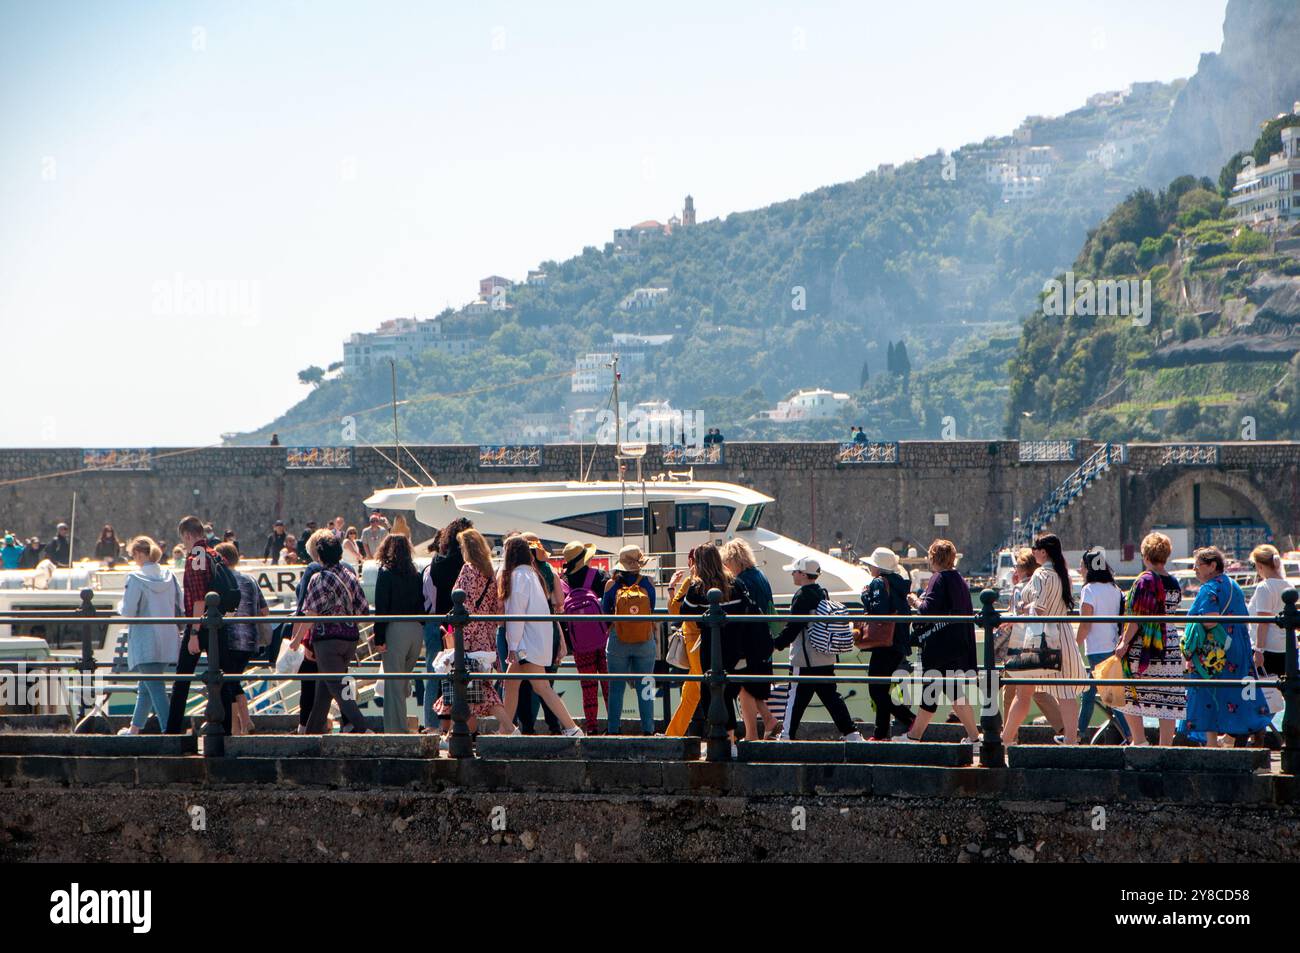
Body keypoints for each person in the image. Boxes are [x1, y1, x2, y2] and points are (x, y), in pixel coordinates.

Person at [1002, 534, 1087, 745]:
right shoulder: (1061, 574)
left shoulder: (1041, 574)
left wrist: (1021, 609)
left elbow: (1038, 609)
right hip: (1064, 635)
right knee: (1067, 692)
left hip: (1039, 637)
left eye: (1035, 548)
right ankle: (1070, 740)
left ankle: (1004, 740)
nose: (1032, 551)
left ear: (1043, 552)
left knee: (1023, 693)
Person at [1183, 546, 1272, 747]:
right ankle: (1252, 728)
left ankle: (1212, 742)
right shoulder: (1234, 585)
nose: (1194, 570)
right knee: (1237, 691)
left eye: (1198, 565)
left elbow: (1210, 620)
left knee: (1207, 691)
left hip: (1215, 651)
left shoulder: (1209, 588)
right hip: (1238, 647)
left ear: (1213, 565)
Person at [496, 535, 583, 736]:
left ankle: (571, 728)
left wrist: (513, 646)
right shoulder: (532, 574)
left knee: (538, 687)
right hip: (535, 642)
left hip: (524, 645)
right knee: (516, 685)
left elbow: (516, 615)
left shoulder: (516, 577)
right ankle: (507, 729)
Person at [771, 555, 863, 742]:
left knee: (795, 699)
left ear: (803, 574)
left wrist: (776, 644)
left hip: (804, 659)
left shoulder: (801, 596)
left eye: (794, 572)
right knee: (832, 698)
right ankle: (851, 733)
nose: (792, 575)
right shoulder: (823, 592)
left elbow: (794, 626)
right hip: (825, 656)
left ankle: (787, 735)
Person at [290, 534, 372, 734]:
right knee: (325, 688)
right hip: (350, 639)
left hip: (327, 641)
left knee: (335, 685)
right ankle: (312, 731)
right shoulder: (351, 576)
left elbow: (310, 614)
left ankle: (363, 728)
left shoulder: (319, 578)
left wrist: (297, 640)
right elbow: (363, 610)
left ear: (320, 556)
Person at [433, 528, 510, 731]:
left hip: (468, 635)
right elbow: (494, 608)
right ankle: (459, 734)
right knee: (478, 689)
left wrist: (460, 639)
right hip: (485, 636)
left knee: (464, 685)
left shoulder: (468, 569)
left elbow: (463, 604)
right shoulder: (489, 572)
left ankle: (454, 735)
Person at [1113, 532, 1186, 746]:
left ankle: (1139, 740)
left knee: (1129, 694)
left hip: (1144, 646)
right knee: (1167, 699)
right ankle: (1166, 746)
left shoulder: (1144, 581)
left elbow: (1137, 618)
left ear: (1145, 555)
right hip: (1169, 645)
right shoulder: (1173, 581)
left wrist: (1124, 642)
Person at [904, 540, 980, 743]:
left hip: (940, 647)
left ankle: (914, 737)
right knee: (953, 693)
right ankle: (974, 738)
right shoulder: (959, 579)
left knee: (932, 691)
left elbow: (928, 609)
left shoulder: (938, 578)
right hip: (956, 644)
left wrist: (915, 601)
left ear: (933, 558)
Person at [116, 536, 181, 735]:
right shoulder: (169, 575)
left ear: (138, 554)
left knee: (155, 688)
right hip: (168, 637)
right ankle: (134, 730)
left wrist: (119, 606)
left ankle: (169, 731)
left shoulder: (135, 578)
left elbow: (128, 610)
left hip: (146, 639)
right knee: (146, 686)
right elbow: (180, 604)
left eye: (132, 555)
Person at [720, 538, 779, 738]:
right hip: (765, 638)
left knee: (745, 686)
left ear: (733, 561)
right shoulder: (761, 576)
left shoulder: (742, 581)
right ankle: (768, 719)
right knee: (752, 684)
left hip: (751, 640)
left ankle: (751, 734)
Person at [164, 516, 218, 734]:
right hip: (216, 625)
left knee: (182, 678)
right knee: (221, 678)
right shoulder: (214, 553)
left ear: (187, 535)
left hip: (199, 624)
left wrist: (194, 632)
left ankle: (173, 730)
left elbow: (198, 598)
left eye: (183, 540)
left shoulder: (195, 556)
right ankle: (226, 729)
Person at [859, 546, 917, 741]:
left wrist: (865, 596)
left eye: (871, 566)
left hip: (885, 643)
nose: (869, 569)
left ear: (877, 568)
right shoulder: (899, 583)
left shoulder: (877, 583)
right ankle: (881, 733)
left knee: (876, 689)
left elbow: (878, 611)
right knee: (882, 689)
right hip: (898, 642)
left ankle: (910, 720)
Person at [601, 545, 658, 735]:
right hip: (644, 640)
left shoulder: (611, 585)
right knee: (646, 685)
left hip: (619, 640)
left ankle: (613, 730)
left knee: (616, 687)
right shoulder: (648, 583)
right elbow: (652, 609)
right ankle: (648, 729)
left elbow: (605, 612)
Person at [423, 518, 472, 733]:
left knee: (444, 674)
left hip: (444, 626)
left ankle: (441, 725)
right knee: (467, 676)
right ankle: (464, 726)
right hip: (468, 625)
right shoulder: (469, 564)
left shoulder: (437, 563)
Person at [373, 534, 425, 733]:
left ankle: (396, 732)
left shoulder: (385, 573)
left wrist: (379, 638)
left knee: (393, 686)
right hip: (416, 630)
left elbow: (381, 608)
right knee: (402, 682)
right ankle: (403, 725)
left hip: (396, 629)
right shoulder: (415, 573)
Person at [1075, 547, 1128, 742]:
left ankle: (1132, 736)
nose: (1080, 569)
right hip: (1113, 646)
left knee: (1110, 697)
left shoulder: (1088, 590)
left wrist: (1074, 645)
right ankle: (1079, 733)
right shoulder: (1114, 589)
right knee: (1090, 693)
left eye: (1081, 566)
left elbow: (1086, 623)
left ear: (1089, 567)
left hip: (1096, 648)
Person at [214, 542, 267, 736]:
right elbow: (264, 610)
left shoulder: (222, 579)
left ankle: (239, 727)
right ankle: (245, 722)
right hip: (251, 640)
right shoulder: (251, 579)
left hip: (230, 640)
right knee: (233, 680)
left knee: (230, 682)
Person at [559, 540, 610, 734]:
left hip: (579, 644)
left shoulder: (563, 581)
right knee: (608, 683)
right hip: (602, 637)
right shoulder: (597, 576)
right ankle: (614, 726)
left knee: (588, 686)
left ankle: (592, 728)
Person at [665, 548, 703, 737]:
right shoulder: (716, 579)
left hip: (693, 641)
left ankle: (726, 736)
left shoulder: (691, 582)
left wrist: (672, 587)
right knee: (691, 692)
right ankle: (673, 733)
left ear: (691, 561)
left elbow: (675, 610)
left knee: (700, 688)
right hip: (708, 639)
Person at [1248, 544, 1292, 681]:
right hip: (1287, 646)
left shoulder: (1264, 587)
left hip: (1268, 648)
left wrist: (1259, 650)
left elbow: (1263, 621)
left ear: (1260, 565)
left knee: (1265, 693)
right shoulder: (1288, 585)